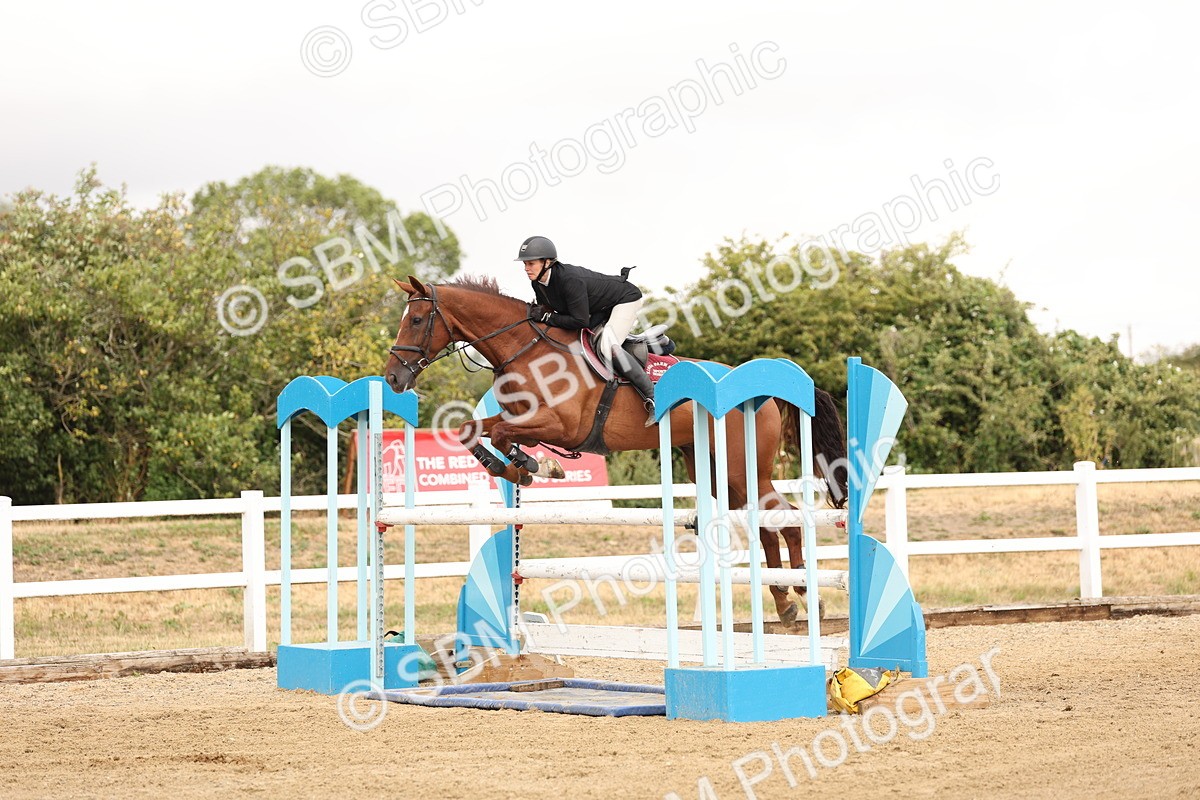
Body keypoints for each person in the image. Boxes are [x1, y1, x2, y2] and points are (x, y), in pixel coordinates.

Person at [516, 235, 656, 427]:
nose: (526, 268)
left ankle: (653, 397)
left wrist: (548, 317)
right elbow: (549, 315)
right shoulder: (538, 283)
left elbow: (579, 321)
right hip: (597, 309)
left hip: (625, 300)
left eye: (531, 263)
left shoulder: (569, 280)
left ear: (547, 262)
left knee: (608, 347)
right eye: (525, 264)